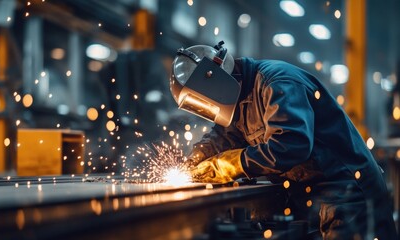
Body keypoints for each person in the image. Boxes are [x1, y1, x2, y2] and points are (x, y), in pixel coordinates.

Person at [169, 41, 398, 239]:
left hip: (348, 194)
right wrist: (195, 160)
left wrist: (232, 163)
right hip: (313, 198)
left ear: (215, 78)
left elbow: (291, 145)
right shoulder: (238, 100)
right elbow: (224, 135)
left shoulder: (278, 83)